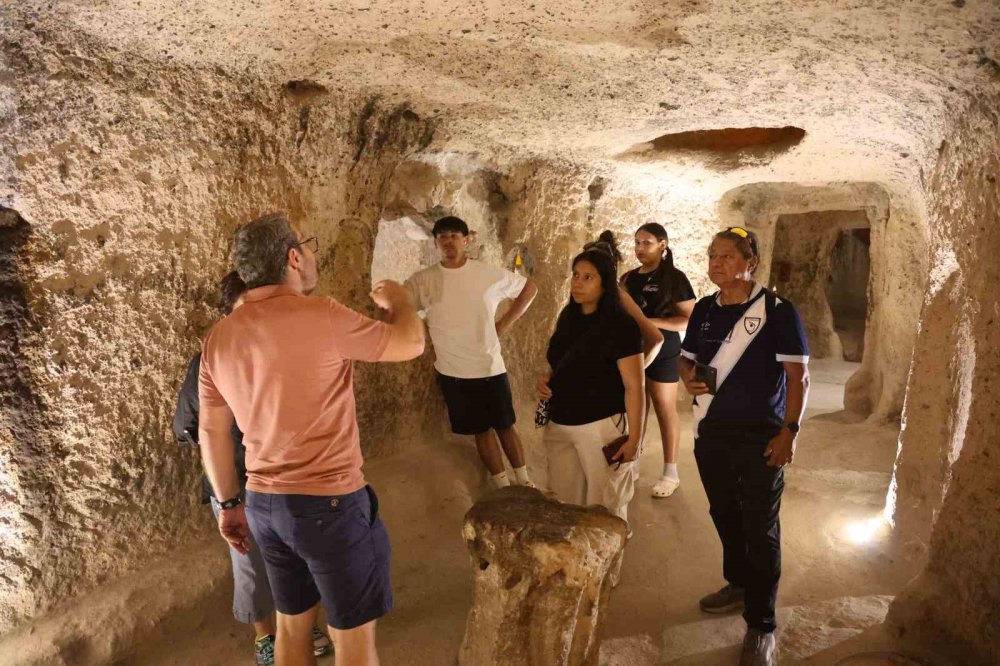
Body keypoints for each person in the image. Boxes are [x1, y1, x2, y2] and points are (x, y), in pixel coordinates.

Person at [198, 213, 424, 666]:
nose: (311, 253)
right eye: (308, 245)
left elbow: (212, 430)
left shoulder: (219, 338)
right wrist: (401, 301)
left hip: (265, 506)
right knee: (353, 639)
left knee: (291, 627)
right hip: (329, 504)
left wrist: (229, 504)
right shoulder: (323, 314)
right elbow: (410, 342)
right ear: (293, 258)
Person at [173, 272, 333, 666]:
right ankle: (266, 637)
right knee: (251, 566)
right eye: (248, 308)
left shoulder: (284, 347)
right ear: (230, 313)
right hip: (239, 484)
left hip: (286, 477)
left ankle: (301, 627)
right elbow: (188, 426)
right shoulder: (209, 360)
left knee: (298, 557)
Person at [679, 227, 809, 666]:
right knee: (724, 513)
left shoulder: (777, 312)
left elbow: (798, 377)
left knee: (760, 528)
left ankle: (762, 625)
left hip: (762, 438)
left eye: (727, 256)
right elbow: (686, 359)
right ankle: (738, 583)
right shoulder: (704, 309)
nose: (716, 263)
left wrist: (790, 431)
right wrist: (686, 377)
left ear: (750, 262)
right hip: (712, 433)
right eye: (712, 255)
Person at [406, 215, 539, 489]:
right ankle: (502, 486)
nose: (449, 242)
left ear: (466, 240)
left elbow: (529, 288)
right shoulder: (423, 280)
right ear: (435, 242)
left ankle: (525, 482)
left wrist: (502, 324)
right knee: (480, 430)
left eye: (455, 236)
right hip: (453, 371)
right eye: (442, 237)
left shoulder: (486, 273)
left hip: (489, 365)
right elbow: (400, 306)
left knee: (505, 425)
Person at [537, 231, 648, 536]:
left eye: (588, 277)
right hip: (561, 423)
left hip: (600, 426)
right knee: (564, 506)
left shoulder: (621, 326)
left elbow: (635, 387)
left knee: (606, 507)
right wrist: (547, 379)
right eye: (576, 275)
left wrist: (634, 439)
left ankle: (608, 563)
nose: (578, 283)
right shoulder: (568, 317)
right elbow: (560, 362)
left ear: (605, 284)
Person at [620, 222, 696, 499]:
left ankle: (670, 473)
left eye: (647, 243)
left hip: (664, 351)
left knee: (665, 408)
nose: (640, 248)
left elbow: (688, 319)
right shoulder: (628, 278)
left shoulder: (675, 278)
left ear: (662, 245)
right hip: (632, 349)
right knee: (635, 407)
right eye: (637, 242)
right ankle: (633, 462)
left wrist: (649, 322)